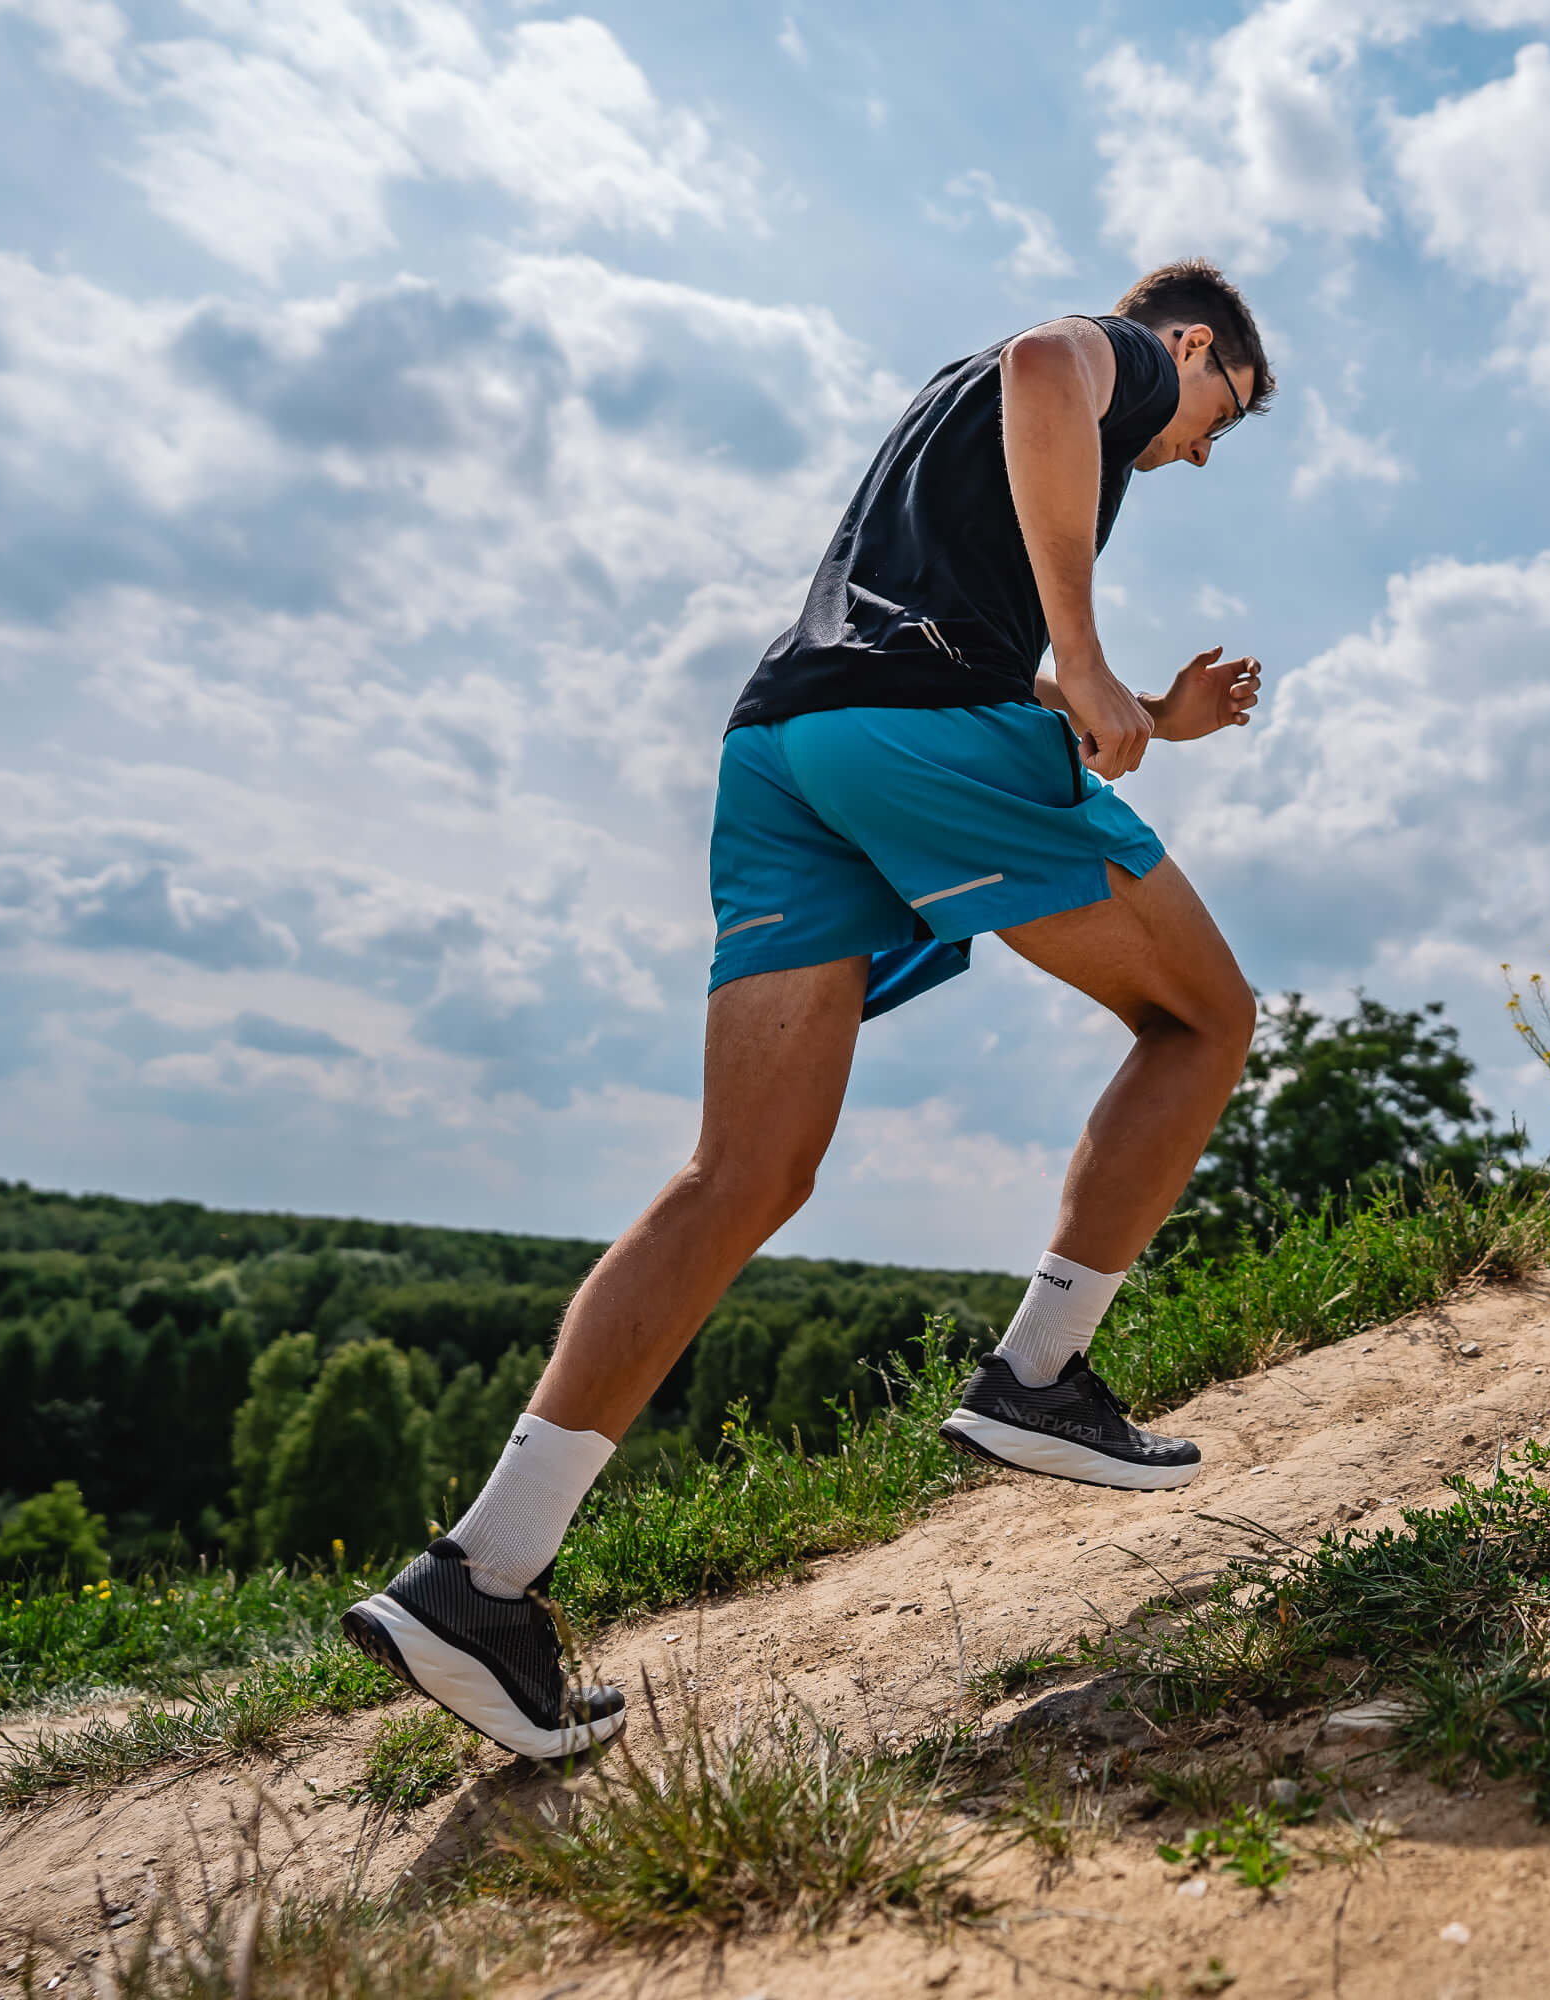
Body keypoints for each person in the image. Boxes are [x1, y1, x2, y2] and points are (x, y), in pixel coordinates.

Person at [344, 262, 1275, 1759]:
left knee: (746, 1174)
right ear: (1192, 348)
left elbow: (963, 645)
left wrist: (1147, 714)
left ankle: (479, 1577)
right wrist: (1096, 661)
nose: (1195, 448)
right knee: (1205, 1020)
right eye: (1216, 417)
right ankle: (1039, 1374)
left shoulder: (945, 424)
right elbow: (1053, 359)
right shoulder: (1104, 361)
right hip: (911, 733)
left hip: (788, 745)